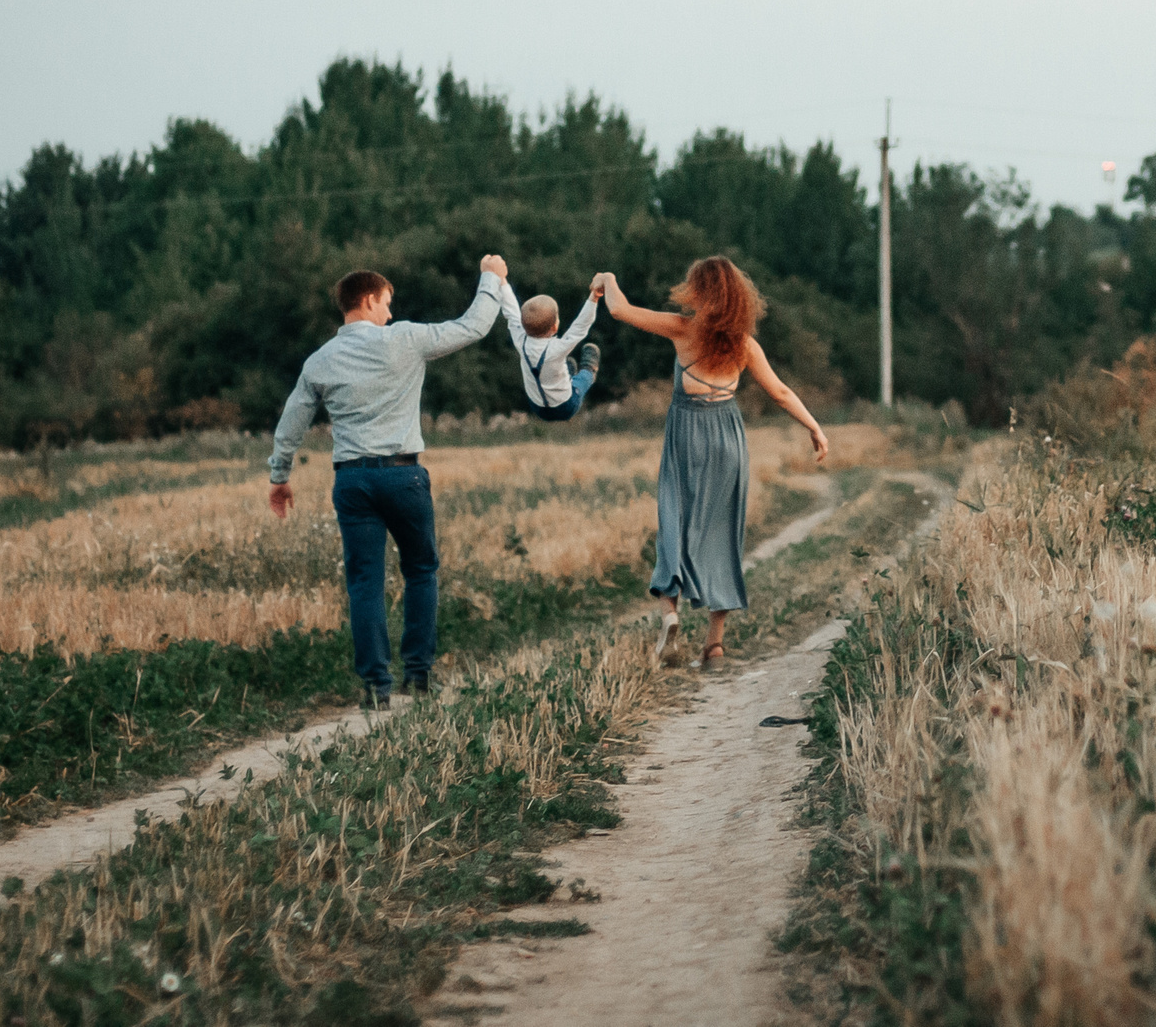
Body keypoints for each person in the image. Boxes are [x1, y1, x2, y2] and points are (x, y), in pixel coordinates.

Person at [267, 254, 508, 709]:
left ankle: (375, 688)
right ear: (369, 298)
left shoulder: (320, 361)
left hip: (352, 481)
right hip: (403, 476)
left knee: (364, 583)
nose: (391, 313)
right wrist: (491, 278)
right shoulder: (407, 340)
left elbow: (291, 423)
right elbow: (473, 326)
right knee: (420, 571)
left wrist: (280, 476)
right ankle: (417, 676)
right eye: (387, 303)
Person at [593, 256, 828, 668]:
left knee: (673, 524)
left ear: (698, 294)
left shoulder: (681, 329)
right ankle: (714, 647)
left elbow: (619, 309)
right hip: (728, 443)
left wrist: (608, 278)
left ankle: (670, 614)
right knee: (722, 536)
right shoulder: (745, 346)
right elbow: (781, 393)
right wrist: (814, 427)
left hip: (686, 438)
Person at [499, 280, 602, 421]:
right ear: (554, 327)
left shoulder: (519, 339)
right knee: (583, 379)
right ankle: (589, 370)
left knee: (559, 368)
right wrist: (594, 298)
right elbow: (580, 326)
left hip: (538, 408)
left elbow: (511, 310)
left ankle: (568, 374)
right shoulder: (557, 348)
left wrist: (503, 282)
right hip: (566, 406)